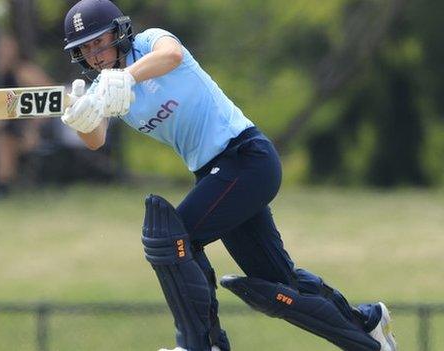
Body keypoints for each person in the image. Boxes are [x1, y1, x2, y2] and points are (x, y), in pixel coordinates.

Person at [59, 1, 397, 351]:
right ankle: (368, 328)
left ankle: (202, 343)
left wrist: (126, 76)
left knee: (172, 240)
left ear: (119, 32)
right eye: (85, 48)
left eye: (100, 42)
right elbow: (95, 139)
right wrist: (78, 116)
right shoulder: (104, 90)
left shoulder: (148, 43)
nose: (95, 54)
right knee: (278, 284)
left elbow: (172, 55)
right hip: (217, 174)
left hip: (245, 156)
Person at [0, 33, 51, 198]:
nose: (4, 53)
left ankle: (2, 187)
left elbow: (52, 99)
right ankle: (2, 186)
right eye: (0, 50)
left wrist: (34, 127)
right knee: (2, 139)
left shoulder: (26, 73)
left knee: (6, 140)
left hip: (26, 128)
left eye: (7, 49)